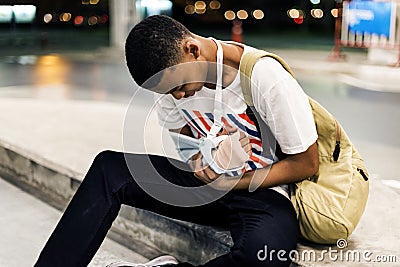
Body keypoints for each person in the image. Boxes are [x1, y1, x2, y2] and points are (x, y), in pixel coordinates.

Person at [34, 15, 319, 267]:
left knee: (263, 256)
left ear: (192, 50)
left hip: (263, 192)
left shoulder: (265, 78)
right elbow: (183, 134)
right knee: (109, 169)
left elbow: (306, 163)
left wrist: (232, 182)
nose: (178, 97)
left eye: (179, 87)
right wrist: (198, 158)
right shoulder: (173, 81)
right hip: (206, 186)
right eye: (169, 92)